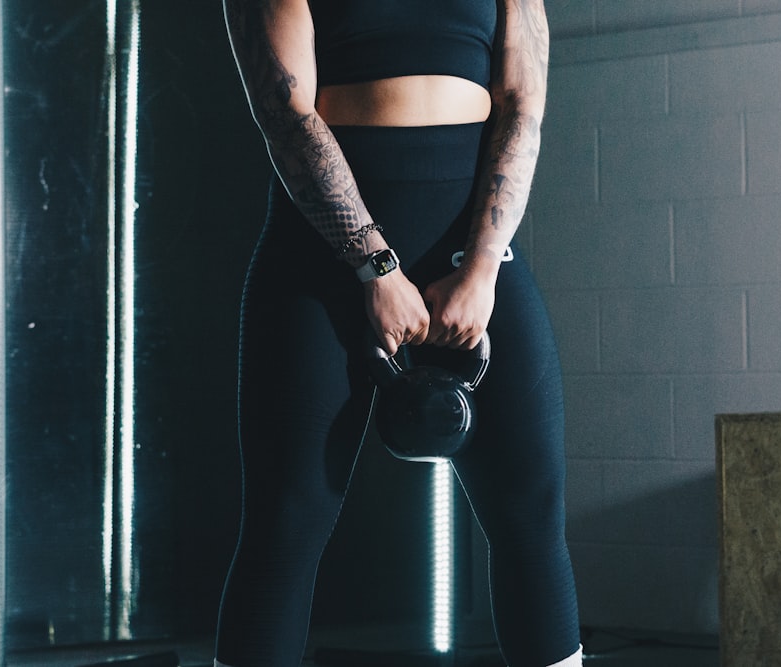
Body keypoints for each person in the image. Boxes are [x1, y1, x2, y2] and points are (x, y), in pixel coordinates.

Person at [214, 1, 582, 665]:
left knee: (532, 510)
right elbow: (284, 111)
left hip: (471, 255)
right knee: (286, 522)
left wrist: (482, 267)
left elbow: (524, 102)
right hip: (321, 260)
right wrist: (373, 265)